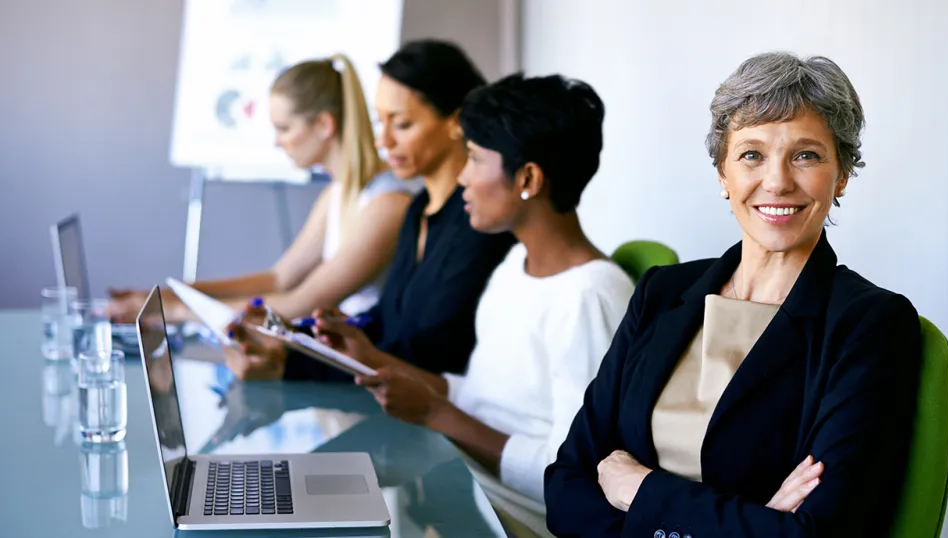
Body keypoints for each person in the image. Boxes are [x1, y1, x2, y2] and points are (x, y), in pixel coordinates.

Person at [544, 52, 923, 537]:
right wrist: (750, 520)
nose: (778, 181)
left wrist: (640, 491)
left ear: (842, 174)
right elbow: (564, 487)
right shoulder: (662, 292)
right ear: (724, 174)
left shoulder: (869, 324)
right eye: (751, 154)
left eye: (806, 155)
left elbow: (817, 534)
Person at [310, 74, 634, 537]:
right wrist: (370, 356)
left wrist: (435, 414)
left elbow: (575, 475)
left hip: (512, 519)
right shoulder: (515, 265)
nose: (461, 175)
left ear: (528, 179)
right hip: (459, 484)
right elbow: (484, 400)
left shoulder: (588, 297)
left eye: (476, 159)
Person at [225, 40, 516, 379]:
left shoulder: (479, 223)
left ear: (455, 123)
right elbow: (387, 326)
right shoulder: (419, 209)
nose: (384, 140)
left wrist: (292, 363)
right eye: (382, 123)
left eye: (402, 124)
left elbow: (429, 355)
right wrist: (295, 345)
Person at [109, 53, 421, 322]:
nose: (276, 141)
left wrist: (173, 310)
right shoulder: (337, 195)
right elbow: (280, 278)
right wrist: (170, 294)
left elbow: (300, 303)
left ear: (325, 125)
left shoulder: (386, 204)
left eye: (284, 128)